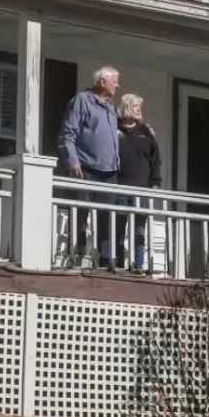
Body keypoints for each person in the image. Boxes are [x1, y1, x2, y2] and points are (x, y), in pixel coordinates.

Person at [58, 67, 121, 267]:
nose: (117, 85)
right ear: (103, 81)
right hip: (85, 167)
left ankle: (105, 260)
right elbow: (68, 134)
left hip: (109, 171)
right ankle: (78, 256)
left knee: (107, 217)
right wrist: (72, 160)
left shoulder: (111, 108)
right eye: (115, 81)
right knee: (80, 214)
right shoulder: (82, 101)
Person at [114, 94, 161, 271]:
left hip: (141, 187)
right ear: (125, 107)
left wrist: (155, 182)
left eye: (140, 106)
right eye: (134, 106)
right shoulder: (114, 130)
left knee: (139, 228)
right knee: (118, 226)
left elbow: (156, 159)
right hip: (120, 185)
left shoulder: (146, 132)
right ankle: (118, 263)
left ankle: (138, 265)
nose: (138, 109)